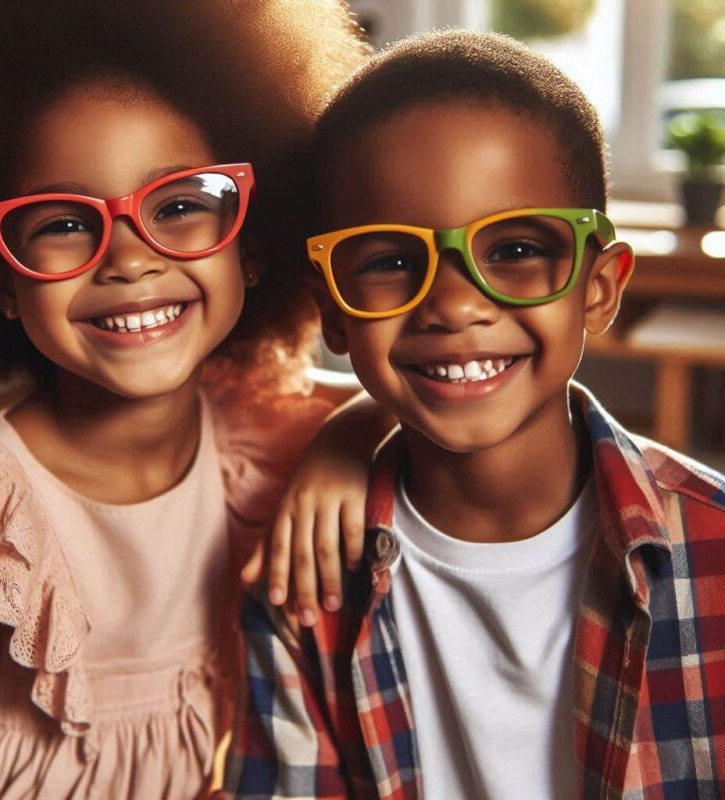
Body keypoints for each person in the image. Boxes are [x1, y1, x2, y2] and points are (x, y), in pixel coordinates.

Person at [224, 29, 725, 799]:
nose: (455, 305)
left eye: (517, 249)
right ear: (331, 309)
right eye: (391, 260)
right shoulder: (304, 588)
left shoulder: (714, 548)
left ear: (599, 288)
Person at [0, 2, 376, 798]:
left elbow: (417, 397)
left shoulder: (266, 433)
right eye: (65, 222)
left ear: (253, 243)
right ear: (1, 281)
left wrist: (348, 442)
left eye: (177, 206)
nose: (129, 261)